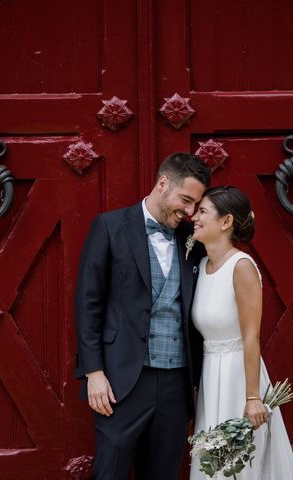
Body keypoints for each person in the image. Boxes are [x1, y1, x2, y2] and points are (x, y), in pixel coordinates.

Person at [74, 152, 211, 480]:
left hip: (177, 383)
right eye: (185, 200)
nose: (190, 212)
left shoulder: (192, 239)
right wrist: (93, 371)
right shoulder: (110, 226)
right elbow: (88, 302)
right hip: (121, 381)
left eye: (196, 205)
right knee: (110, 473)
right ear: (163, 184)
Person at [189, 186, 293, 479]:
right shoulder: (201, 266)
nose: (194, 217)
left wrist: (253, 397)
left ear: (226, 222)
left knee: (241, 465)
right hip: (211, 375)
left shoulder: (241, 267)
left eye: (202, 211)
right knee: (213, 463)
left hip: (239, 378)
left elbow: (251, 336)